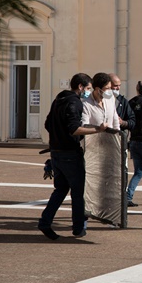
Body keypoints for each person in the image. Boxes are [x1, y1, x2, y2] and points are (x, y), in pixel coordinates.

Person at [38, 73, 108, 240]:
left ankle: (45, 222)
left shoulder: (58, 100)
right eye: (88, 88)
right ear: (80, 87)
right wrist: (97, 129)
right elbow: (74, 129)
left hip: (56, 152)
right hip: (70, 152)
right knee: (78, 192)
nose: (89, 92)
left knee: (60, 189)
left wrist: (57, 136)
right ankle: (78, 227)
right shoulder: (74, 102)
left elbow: (48, 124)